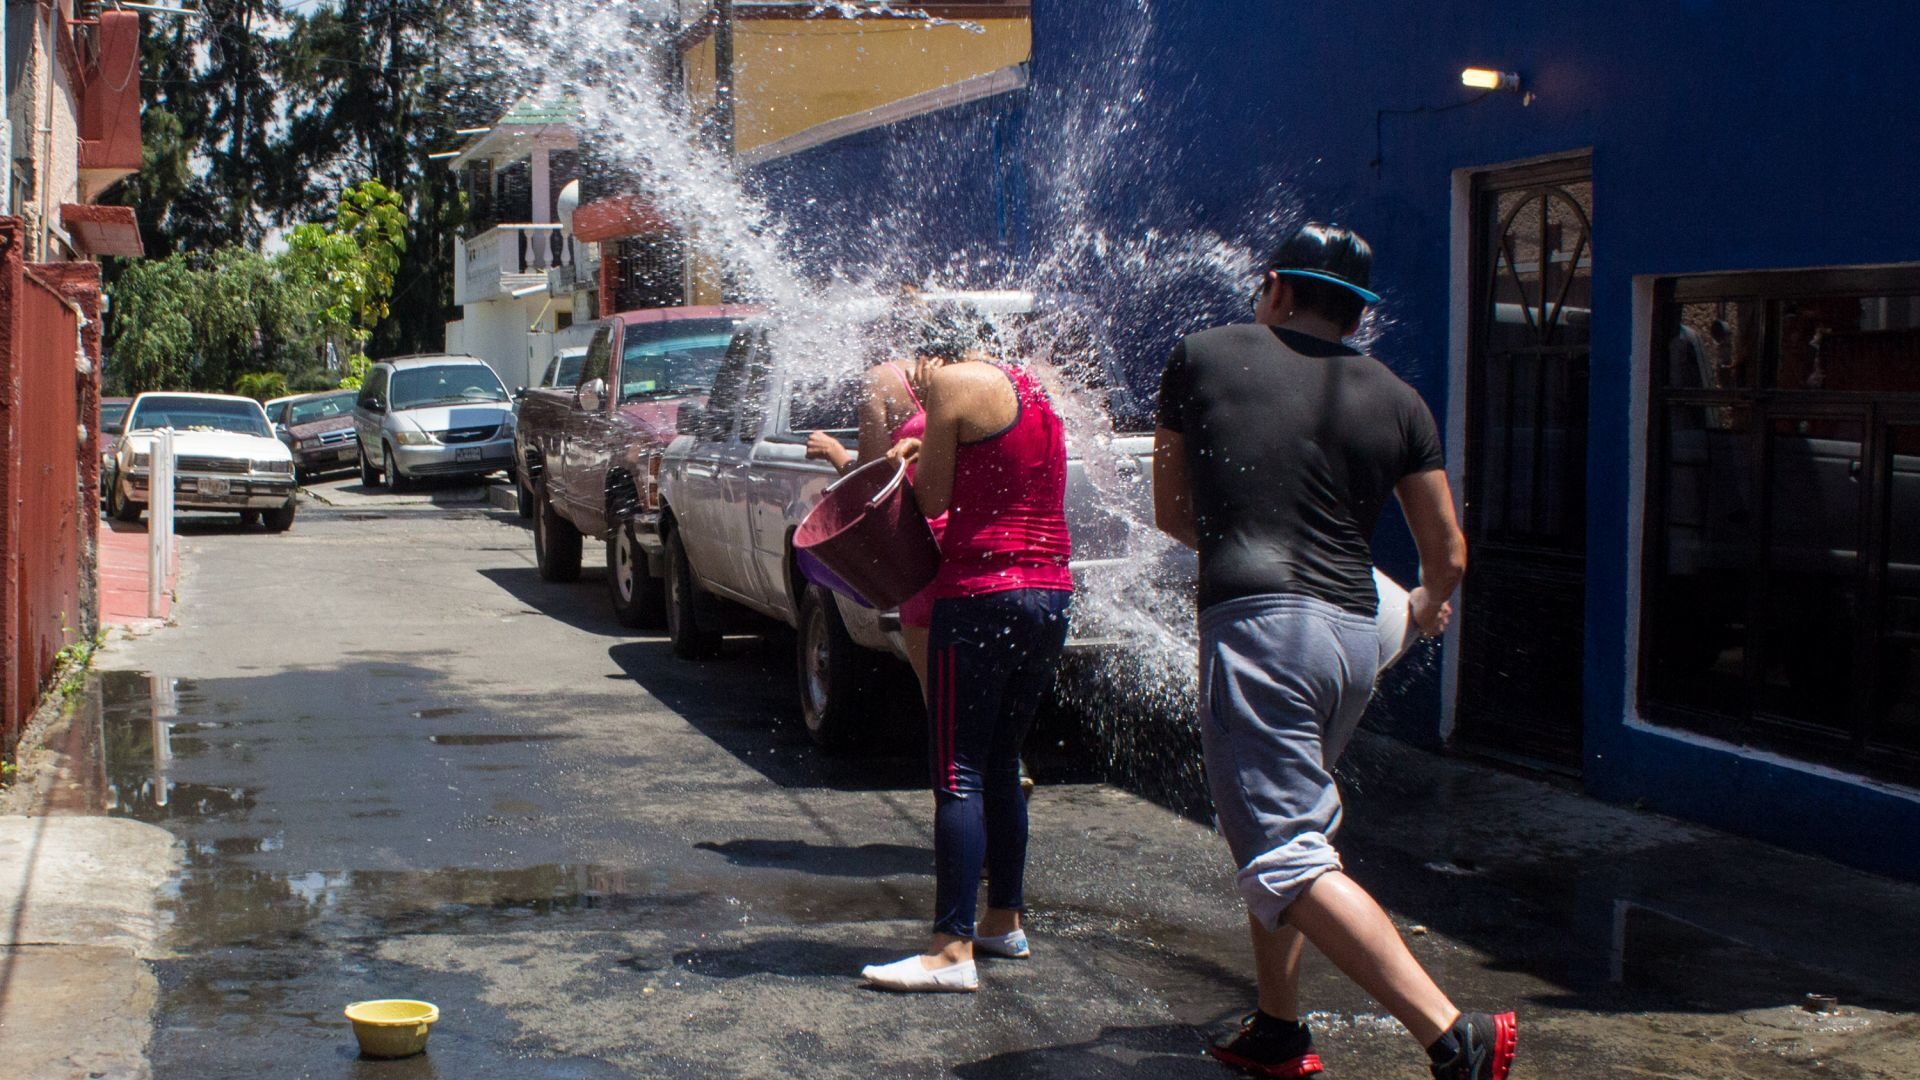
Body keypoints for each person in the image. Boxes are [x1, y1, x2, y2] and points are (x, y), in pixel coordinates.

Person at [1154, 222, 1514, 1079]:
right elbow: (1450, 555)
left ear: (1276, 286)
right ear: (1357, 313)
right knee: (1286, 831)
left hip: (1261, 625)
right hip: (1357, 633)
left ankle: (1451, 1034)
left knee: (1284, 845)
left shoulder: (1200, 356)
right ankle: (1278, 1028)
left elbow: (1172, 512)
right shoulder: (1398, 397)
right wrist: (1425, 608)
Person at [857, 316, 1073, 993]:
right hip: (1050, 592)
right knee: (1003, 760)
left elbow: (933, 502)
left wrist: (910, 458)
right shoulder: (1038, 392)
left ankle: (951, 949)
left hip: (979, 592)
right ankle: (1003, 919)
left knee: (957, 771)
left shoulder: (952, 385)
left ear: (932, 356)